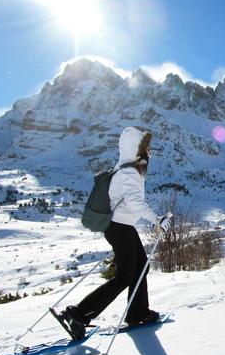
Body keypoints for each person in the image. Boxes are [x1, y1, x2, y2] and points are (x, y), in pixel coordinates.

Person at [60, 127, 169, 340]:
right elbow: (135, 203)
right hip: (120, 228)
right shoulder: (128, 172)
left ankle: (138, 313)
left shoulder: (127, 169)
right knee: (124, 277)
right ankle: (79, 315)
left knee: (140, 268)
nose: (149, 149)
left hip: (123, 227)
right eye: (146, 146)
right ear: (136, 148)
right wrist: (157, 220)